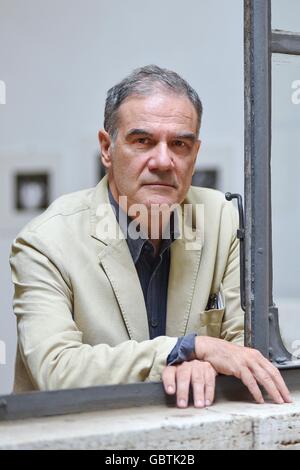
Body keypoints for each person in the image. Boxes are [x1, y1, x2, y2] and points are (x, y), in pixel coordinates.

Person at [10, 65, 292, 408]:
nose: (163, 161)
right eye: (142, 141)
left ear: (195, 154)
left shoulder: (223, 220)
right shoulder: (45, 242)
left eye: (179, 144)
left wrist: (200, 361)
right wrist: (188, 349)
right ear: (106, 148)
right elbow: (57, 370)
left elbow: (247, 353)